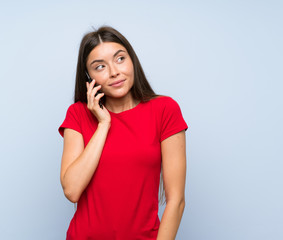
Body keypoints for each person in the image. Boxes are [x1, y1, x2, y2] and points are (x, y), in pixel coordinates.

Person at [58, 26, 188, 240]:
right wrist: (103, 124)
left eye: (120, 59)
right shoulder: (78, 114)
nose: (114, 72)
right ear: (88, 76)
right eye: (99, 66)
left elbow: (176, 201)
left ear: (132, 60)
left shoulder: (165, 110)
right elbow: (72, 190)